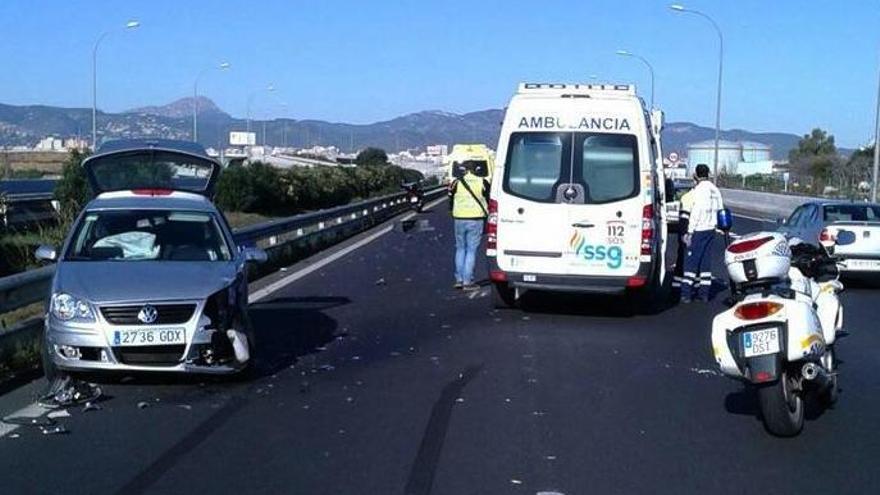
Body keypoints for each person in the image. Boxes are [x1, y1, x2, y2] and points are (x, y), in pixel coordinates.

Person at [681, 164, 724, 303]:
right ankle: (704, 294)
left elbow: (696, 211)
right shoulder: (715, 190)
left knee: (691, 262)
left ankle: (686, 293)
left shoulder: (698, 191)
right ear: (708, 173)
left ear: (696, 175)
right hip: (711, 229)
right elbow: (720, 209)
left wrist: (689, 231)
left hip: (698, 229)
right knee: (705, 262)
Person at [448, 161, 490, 291]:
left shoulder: (456, 182)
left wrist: (452, 211)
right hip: (476, 218)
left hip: (459, 218)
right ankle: (467, 281)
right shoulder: (482, 182)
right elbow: (489, 198)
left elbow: (450, 199)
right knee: (471, 250)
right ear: (476, 169)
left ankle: (459, 279)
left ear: (463, 169)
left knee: (460, 248)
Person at [672, 187, 694, 292]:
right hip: (694, 231)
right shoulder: (698, 197)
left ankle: (677, 287)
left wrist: (683, 233)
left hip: (686, 230)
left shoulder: (686, 197)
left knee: (681, 257)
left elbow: (683, 218)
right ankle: (691, 287)